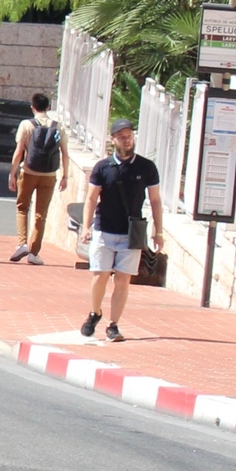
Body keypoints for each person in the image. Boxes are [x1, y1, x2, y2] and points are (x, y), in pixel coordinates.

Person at [80, 121, 165, 343]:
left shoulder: (146, 167)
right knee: (100, 276)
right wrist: (85, 226)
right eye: (122, 136)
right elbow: (91, 198)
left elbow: (155, 201)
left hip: (131, 233)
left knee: (123, 280)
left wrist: (158, 231)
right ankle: (95, 312)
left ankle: (113, 324)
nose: (127, 139)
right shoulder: (102, 167)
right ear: (113, 140)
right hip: (104, 229)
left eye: (129, 135)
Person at [7, 93, 63, 265]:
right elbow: (65, 153)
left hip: (29, 172)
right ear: (48, 107)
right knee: (41, 214)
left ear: (32, 107)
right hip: (49, 176)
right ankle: (34, 252)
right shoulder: (58, 126)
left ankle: (22, 244)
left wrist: (12, 173)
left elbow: (19, 151)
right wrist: (65, 176)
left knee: (22, 208)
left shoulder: (26, 125)